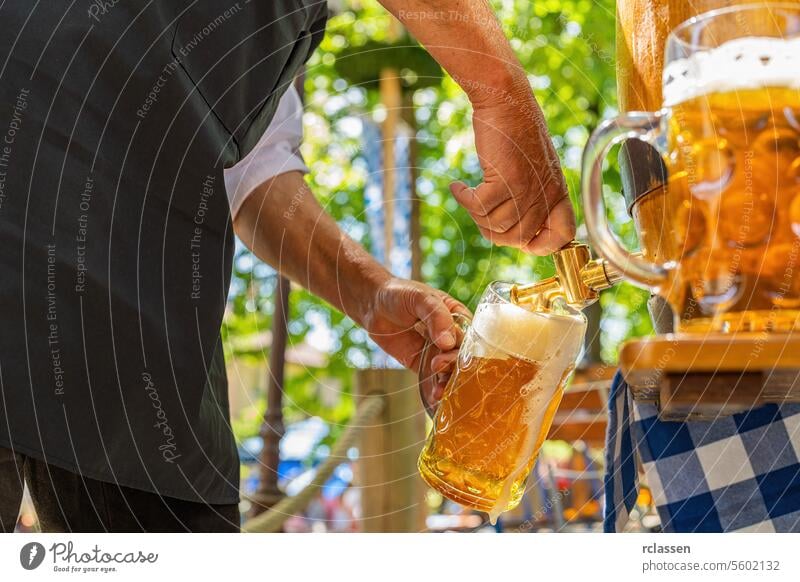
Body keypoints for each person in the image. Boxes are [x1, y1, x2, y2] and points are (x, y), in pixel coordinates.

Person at [0, 1, 575, 532]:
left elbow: (250, 171)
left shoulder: (255, 40)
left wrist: (371, 292)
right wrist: (500, 91)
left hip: (134, 303)